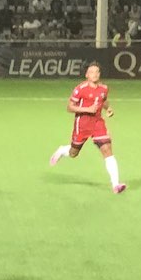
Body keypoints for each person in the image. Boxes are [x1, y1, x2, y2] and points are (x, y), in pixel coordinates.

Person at [49, 62, 126, 194]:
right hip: (82, 124)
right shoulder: (80, 89)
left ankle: (116, 184)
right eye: (91, 72)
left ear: (99, 74)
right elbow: (69, 107)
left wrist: (108, 108)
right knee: (73, 153)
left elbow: (103, 100)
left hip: (98, 123)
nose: (94, 74)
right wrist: (88, 109)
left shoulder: (104, 88)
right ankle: (62, 150)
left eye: (97, 72)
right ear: (87, 75)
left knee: (107, 149)